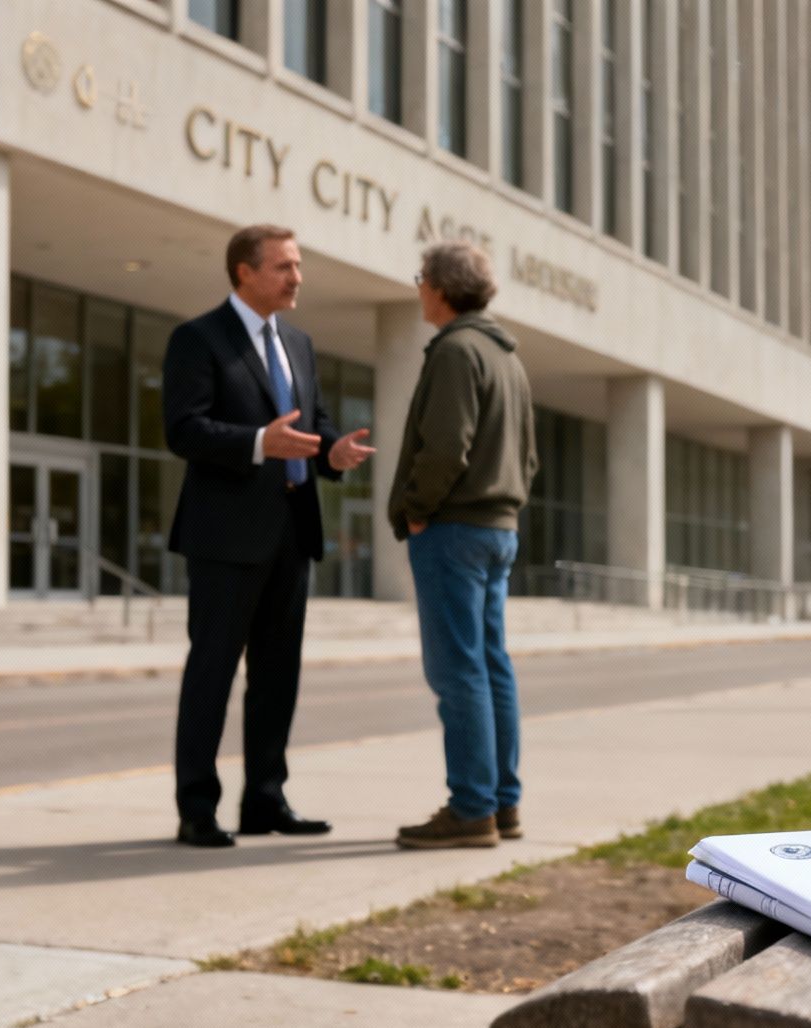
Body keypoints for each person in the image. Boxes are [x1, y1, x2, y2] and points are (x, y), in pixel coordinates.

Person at [163, 224, 375, 848]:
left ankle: (265, 799)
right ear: (243, 272)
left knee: (277, 677)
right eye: (283, 266)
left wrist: (332, 453)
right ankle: (197, 807)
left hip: (291, 533)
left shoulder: (301, 344)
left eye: (298, 265)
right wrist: (259, 443)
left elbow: (315, 426)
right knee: (213, 674)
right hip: (225, 540)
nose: (296, 277)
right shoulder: (198, 339)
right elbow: (184, 430)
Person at [389, 241, 538, 850]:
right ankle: (502, 805)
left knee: (459, 671)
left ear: (442, 289)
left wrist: (418, 510)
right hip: (497, 528)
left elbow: (447, 447)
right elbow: (528, 455)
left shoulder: (456, 350)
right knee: (492, 667)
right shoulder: (507, 356)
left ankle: (472, 808)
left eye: (421, 278)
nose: (419, 288)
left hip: (454, 528)